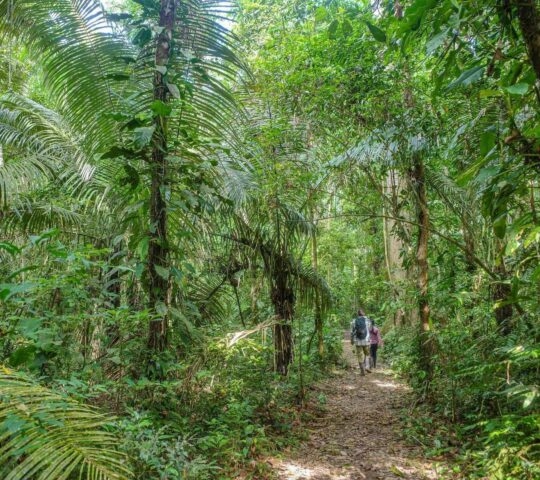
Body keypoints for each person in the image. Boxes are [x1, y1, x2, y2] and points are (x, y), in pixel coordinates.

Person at [350, 309, 372, 375]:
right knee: (367, 354)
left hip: (358, 341)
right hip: (366, 340)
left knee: (360, 356)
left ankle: (362, 371)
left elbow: (352, 332)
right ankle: (367, 366)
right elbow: (370, 329)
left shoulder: (354, 321)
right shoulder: (367, 320)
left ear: (358, 314)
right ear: (363, 313)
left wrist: (352, 340)